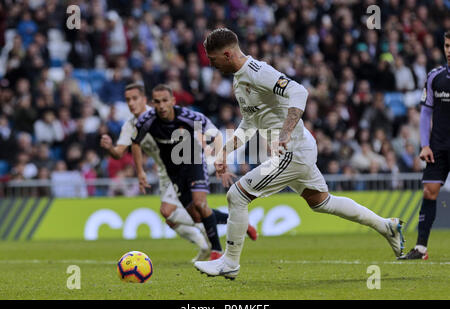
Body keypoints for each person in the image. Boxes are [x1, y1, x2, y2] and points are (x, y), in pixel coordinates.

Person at [194, 28, 405, 279]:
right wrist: (224, 152)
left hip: (291, 150)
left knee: (237, 196)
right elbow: (250, 123)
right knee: (322, 202)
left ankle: (229, 263)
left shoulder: (257, 71)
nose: (210, 64)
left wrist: (284, 133)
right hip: (296, 149)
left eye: (213, 58)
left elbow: (299, 91)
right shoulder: (240, 80)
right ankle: (387, 226)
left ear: (227, 54)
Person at [101, 83, 256, 262]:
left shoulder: (181, 116)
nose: (131, 103)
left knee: (184, 207)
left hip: (192, 162)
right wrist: (135, 168)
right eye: (128, 100)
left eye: (135, 98)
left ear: (145, 100)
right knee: (193, 216)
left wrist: (220, 159)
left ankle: (212, 249)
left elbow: (213, 132)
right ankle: (235, 223)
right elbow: (126, 148)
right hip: (168, 171)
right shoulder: (136, 124)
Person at [399, 31, 450, 260]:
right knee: (429, 192)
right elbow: (425, 112)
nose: (449, 50)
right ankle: (420, 248)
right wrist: (425, 144)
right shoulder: (434, 76)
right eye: (447, 45)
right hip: (437, 147)